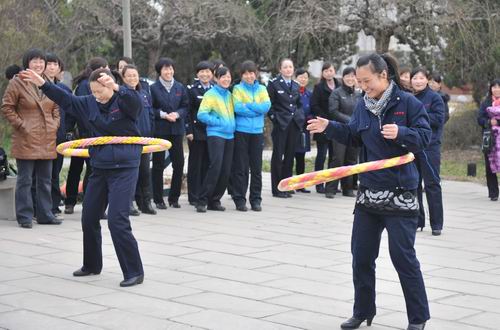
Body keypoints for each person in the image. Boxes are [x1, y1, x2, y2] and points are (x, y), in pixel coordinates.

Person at [308, 53, 431, 330]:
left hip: (400, 192)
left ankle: (418, 318)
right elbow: (353, 135)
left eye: (367, 81)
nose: (363, 86)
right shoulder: (363, 106)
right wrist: (329, 126)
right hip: (369, 194)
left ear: (383, 76)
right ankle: (363, 311)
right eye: (360, 82)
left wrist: (401, 133)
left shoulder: (407, 103)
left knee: (403, 258)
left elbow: (425, 138)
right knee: (361, 256)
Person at [21, 67, 145, 287]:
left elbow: (136, 103)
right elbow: (65, 99)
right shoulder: (88, 102)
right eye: (94, 91)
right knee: (88, 217)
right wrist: (43, 83)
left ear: (111, 87)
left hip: (125, 166)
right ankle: (92, 264)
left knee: (117, 220)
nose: (97, 95)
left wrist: (117, 86)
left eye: (101, 91)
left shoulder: (124, 100)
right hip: (99, 166)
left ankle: (134, 271)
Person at [1, 48, 62, 228]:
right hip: (26, 137)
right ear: (27, 63)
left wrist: (54, 124)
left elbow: (56, 108)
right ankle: (25, 216)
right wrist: (22, 125)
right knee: (25, 180)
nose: (39, 64)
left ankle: (45, 214)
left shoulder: (48, 83)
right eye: (35, 61)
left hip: (47, 137)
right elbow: (7, 108)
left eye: (41, 61)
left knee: (45, 180)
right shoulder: (17, 82)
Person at [64, 57, 109, 215]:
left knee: (79, 169)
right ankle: (79, 202)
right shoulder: (85, 85)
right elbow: (84, 110)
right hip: (85, 135)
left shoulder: (86, 83)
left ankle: (76, 202)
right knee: (89, 170)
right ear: (100, 69)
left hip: (87, 134)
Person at [231, 60, 270, 211]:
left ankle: (256, 199)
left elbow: (266, 106)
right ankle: (240, 199)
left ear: (256, 74)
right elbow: (238, 108)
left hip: (257, 132)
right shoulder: (237, 89)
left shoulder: (261, 89)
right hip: (241, 131)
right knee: (241, 167)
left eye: (251, 73)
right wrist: (256, 109)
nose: (249, 76)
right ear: (241, 75)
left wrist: (250, 105)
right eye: (246, 73)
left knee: (256, 167)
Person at [411, 67, 445, 236]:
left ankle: (437, 223)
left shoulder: (435, 98)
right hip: (412, 147)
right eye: (415, 78)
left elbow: (439, 119)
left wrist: (418, 115)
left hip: (430, 147)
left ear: (427, 80)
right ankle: (418, 221)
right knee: (414, 184)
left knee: (432, 184)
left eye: (421, 78)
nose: (418, 81)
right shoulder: (408, 98)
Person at [150, 57, 188, 210]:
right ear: (160, 71)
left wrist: (177, 114)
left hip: (177, 130)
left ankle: (174, 198)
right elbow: (150, 109)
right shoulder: (153, 88)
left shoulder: (180, 87)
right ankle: (158, 199)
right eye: (165, 69)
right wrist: (164, 115)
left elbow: (186, 106)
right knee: (158, 165)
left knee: (178, 164)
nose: (169, 71)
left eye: (171, 68)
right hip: (160, 130)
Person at [196, 66, 235, 212]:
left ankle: (215, 200)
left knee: (225, 170)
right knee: (215, 167)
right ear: (216, 79)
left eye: (228, 76)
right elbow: (202, 114)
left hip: (230, 135)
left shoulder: (230, 95)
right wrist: (219, 122)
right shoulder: (210, 94)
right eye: (222, 77)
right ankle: (202, 200)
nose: (226, 79)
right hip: (216, 134)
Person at [121, 64, 156, 215]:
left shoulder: (145, 94)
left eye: (134, 75)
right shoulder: (120, 94)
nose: (132, 78)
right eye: (129, 76)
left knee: (145, 173)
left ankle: (145, 203)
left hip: (145, 139)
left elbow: (150, 116)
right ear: (123, 78)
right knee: (130, 173)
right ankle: (127, 204)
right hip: (129, 141)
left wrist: (151, 136)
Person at [267, 58, 305, 198]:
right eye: (285, 67)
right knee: (278, 156)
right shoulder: (274, 84)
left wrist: (299, 117)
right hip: (281, 124)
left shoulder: (296, 85)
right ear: (280, 69)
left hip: (293, 124)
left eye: (290, 67)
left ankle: (286, 186)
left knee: (289, 156)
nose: (288, 69)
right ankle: (276, 188)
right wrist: (275, 118)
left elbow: (299, 104)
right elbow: (269, 104)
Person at [327, 67, 362, 198]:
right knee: (338, 159)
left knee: (351, 160)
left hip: (354, 132)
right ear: (343, 77)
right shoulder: (336, 93)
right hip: (339, 130)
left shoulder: (359, 94)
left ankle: (347, 189)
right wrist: (350, 120)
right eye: (347, 76)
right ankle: (330, 188)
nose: (350, 78)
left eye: (353, 76)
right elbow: (333, 111)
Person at [44, 53, 70, 216]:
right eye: (49, 64)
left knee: (55, 171)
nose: (52, 67)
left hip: (59, 136)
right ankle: (42, 205)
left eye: (55, 64)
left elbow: (72, 111)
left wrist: (66, 129)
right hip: (41, 136)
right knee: (42, 173)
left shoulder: (64, 89)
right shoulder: (38, 86)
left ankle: (53, 204)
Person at [186, 61, 213, 206]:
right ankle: (193, 196)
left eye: (208, 71)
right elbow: (188, 112)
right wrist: (188, 131)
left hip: (212, 132)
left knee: (208, 164)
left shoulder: (215, 89)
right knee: (195, 165)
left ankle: (205, 194)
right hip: (196, 132)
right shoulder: (191, 89)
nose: (205, 74)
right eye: (202, 71)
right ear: (197, 74)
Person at [310, 62, 340, 195]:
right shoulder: (318, 87)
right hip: (323, 125)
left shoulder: (339, 85)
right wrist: (325, 119)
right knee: (321, 155)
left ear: (334, 71)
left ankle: (331, 184)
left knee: (334, 156)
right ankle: (318, 184)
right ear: (322, 73)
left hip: (337, 125)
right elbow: (314, 106)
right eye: (326, 70)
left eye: (331, 70)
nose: (329, 73)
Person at [477, 78, 500, 201]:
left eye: (498, 87)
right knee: (489, 166)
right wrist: (488, 122)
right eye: (494, 87)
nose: (496, 89)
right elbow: (479, 118)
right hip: (489, 138)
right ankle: (493, 192)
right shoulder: (486, 103)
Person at [293, 68, 313, 193]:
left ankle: (301, 184)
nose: (303, 79)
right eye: (301, 77)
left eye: (305, 77)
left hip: (304, 129)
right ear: (296, 77)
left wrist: (310, 118)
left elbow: (312, 109)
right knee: (290, 156)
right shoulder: (292, 91)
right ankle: (288, 182)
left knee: (301, 156)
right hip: (293, 127)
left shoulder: (309, 94)